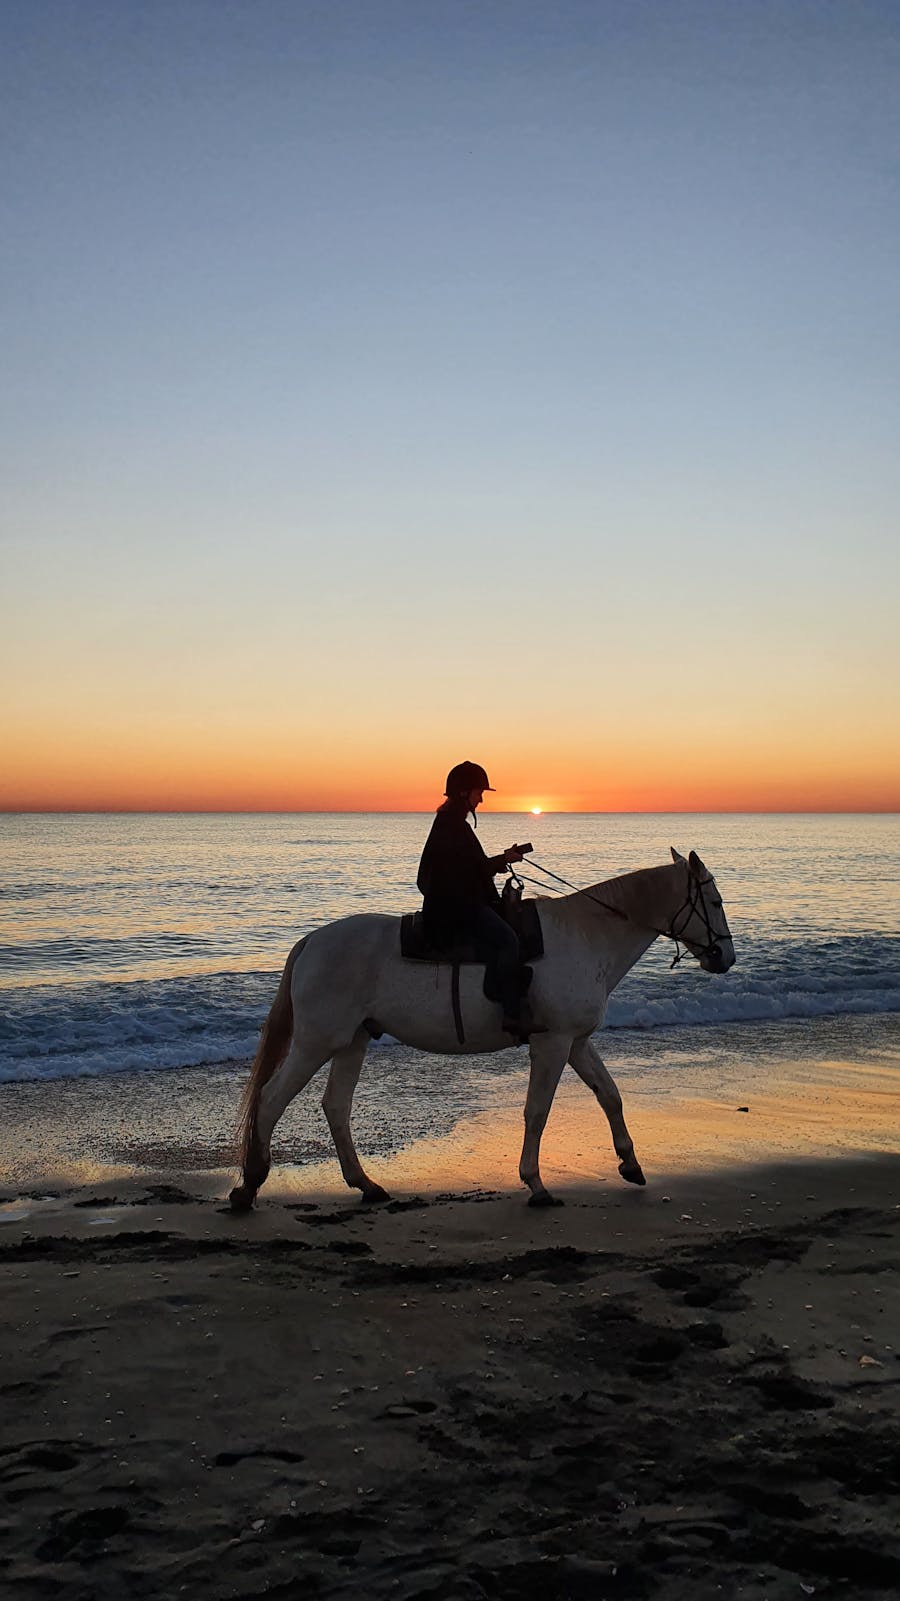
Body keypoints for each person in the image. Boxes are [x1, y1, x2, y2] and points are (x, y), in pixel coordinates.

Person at [416, 761, 530, 1038]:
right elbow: (472, 870)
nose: (481, 798)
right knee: (508, 940)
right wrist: (504, 860)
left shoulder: (451, 823)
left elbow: (470, 867)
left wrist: (501, 861)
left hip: (457, 903)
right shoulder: (453, 826)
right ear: (464, 792)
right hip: (457, 908)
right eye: (479, 792)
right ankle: (511, 1016)